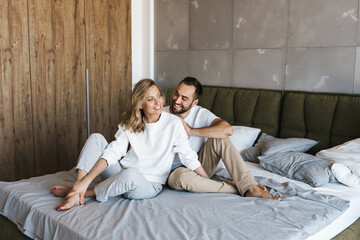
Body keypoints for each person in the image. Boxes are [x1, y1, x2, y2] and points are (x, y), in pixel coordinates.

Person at [52, 78, 209, 210]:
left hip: (148, 184)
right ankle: (78, 187)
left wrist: (207, 180)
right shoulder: (132, 123)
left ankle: (84, 193)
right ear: (140, 104)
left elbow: (188, 157)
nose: (158, 102)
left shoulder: (174, 123)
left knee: (131, 174)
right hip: (122, 172)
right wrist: (84, 181)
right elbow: (112, 153)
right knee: (96, 138)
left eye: (159, 96)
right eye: (150, 99)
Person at [164, 77, 281, 200]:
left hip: (200, 167)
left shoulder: (201, 114)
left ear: (194, 102)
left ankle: (250, 187)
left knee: (219, 137)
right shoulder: (161, 113)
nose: (177, 100)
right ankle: (237, 188)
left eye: (184, 98)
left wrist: (191, 131)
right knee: (179, 177)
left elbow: (227, 130)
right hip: (174, 173)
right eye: (176, 94)